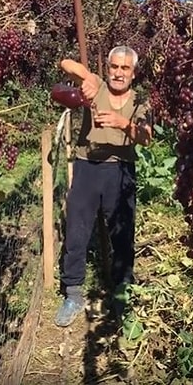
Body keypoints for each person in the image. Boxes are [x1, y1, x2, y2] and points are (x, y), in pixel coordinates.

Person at [54, 45, 152, 327]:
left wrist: (123, 124)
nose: (119, 73)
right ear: (107, 68)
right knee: (76, 231)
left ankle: (121, 292)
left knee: (122, 234)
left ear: (133, 73)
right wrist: (86, 76)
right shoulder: (96, 86)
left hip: (120, 171)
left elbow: (146, 137)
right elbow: (65, 62)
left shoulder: (140, 102)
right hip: (87, 168)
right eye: (114, 67)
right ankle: (73, 294)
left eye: (125, 68)